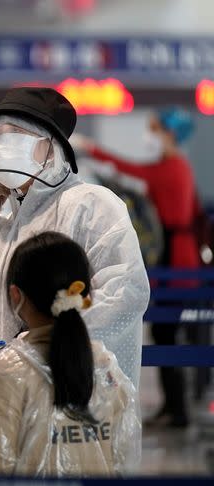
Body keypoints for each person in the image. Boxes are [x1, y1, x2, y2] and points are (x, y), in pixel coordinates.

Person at [0, 87, 150, 392]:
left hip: (64, 396)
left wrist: (37, 347)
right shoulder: (6, 223)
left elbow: (125, 295)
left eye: (15, 133)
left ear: (51, 147)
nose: (2, 144)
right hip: (0, 392)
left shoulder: (91, 205)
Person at [0, 232, 139, 486]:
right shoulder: (106, 368)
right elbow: (119, 458)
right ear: (86, 295)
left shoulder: (9, 370)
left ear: (15, 296)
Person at [73, 107, 199, 427]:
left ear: (170, 133)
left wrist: (92, 149)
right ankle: (174, 406)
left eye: (155, 128)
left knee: (167, 331)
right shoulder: (176, 166)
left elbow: (134, 171)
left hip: (176, 256)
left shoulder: (172, 167)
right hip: (178, 251)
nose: (150, 135)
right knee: (165, 331)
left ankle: (179, 411)